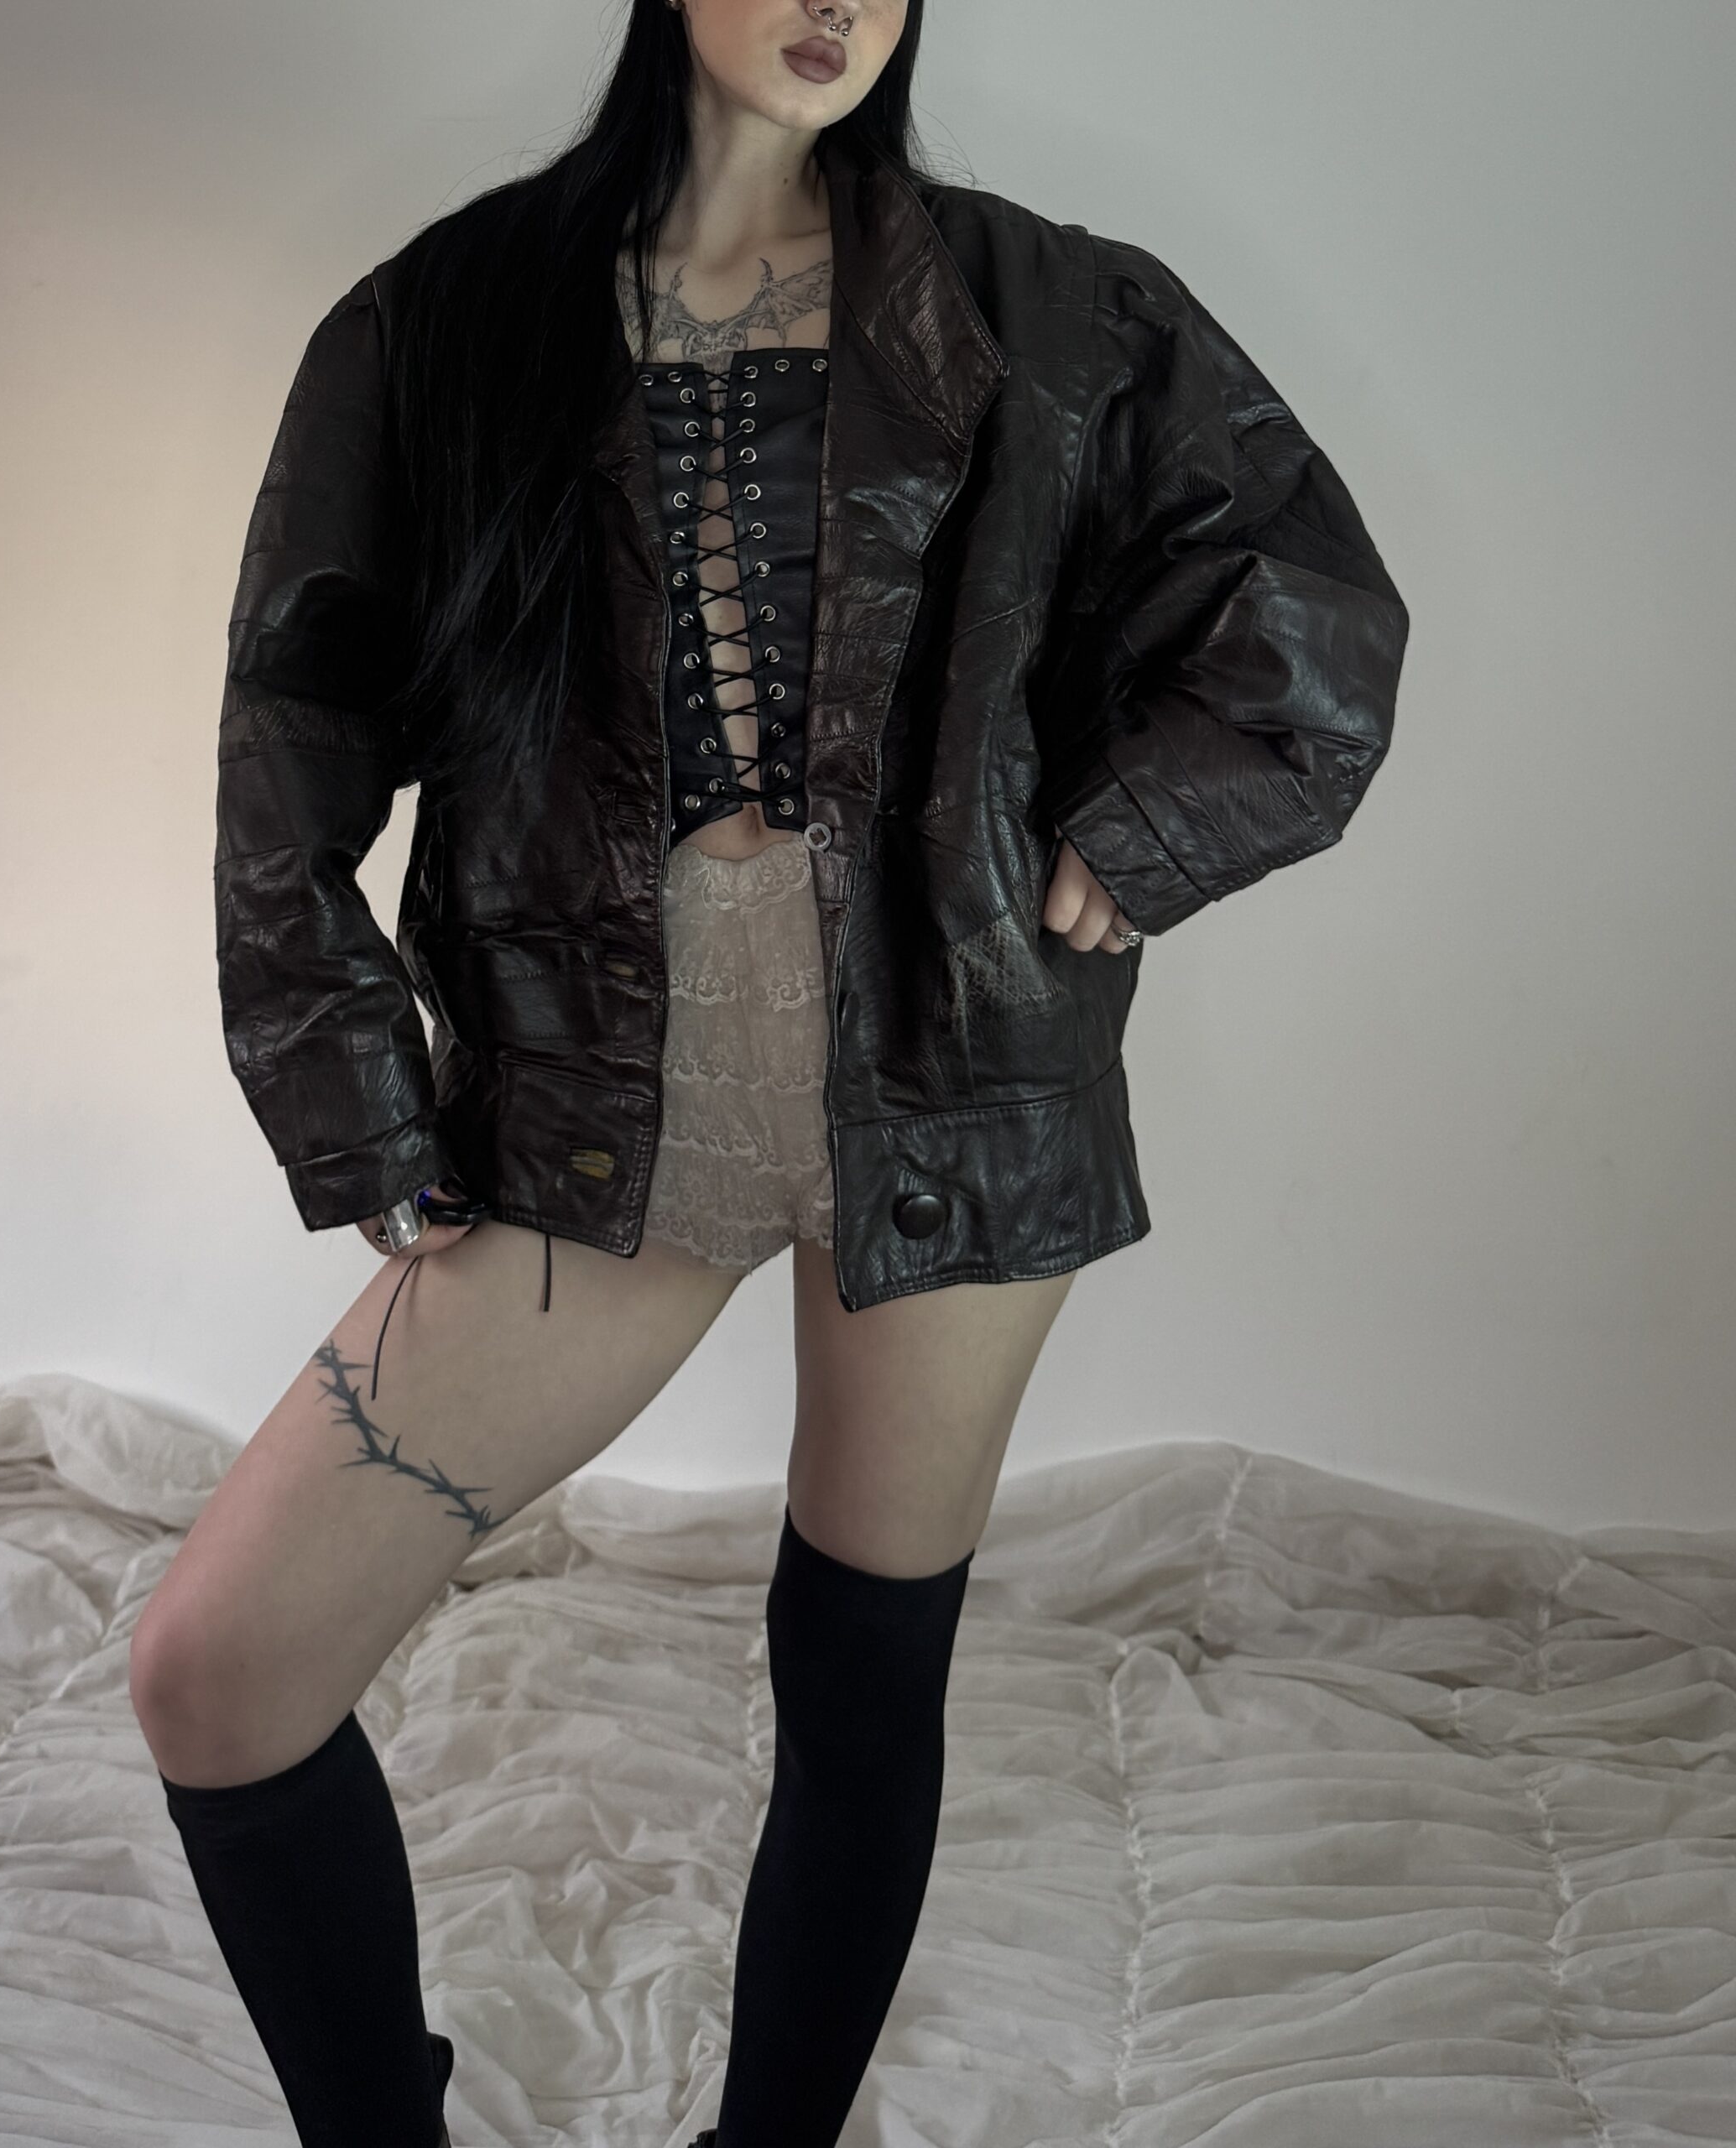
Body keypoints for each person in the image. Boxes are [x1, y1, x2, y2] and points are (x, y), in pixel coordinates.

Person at [129, 1, 1410, 2142]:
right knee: (218, 1670)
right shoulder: (444, 321)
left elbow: (1314, 599)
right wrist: (351, 1083)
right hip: (600, 1101)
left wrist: (1146, 831)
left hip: (963, 1081)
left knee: (862, 1681)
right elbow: (293, 728)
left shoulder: (1048, 307)